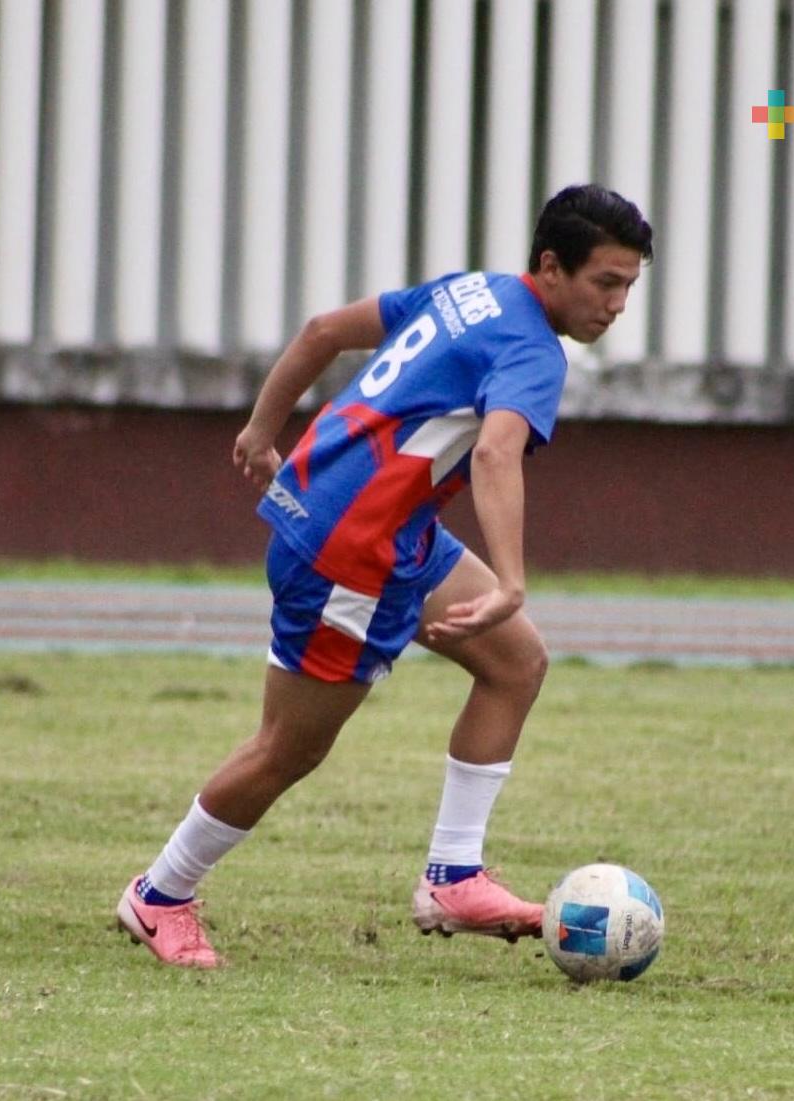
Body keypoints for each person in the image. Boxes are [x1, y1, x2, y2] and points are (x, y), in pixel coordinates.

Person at [116, 184, 653, 967]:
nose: (618, 305)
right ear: (550, 266)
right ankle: (160, 893)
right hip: (351, 550)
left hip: (368, 519)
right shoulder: (533, 348)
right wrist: (509, 578)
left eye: (630, 286)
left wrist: (264, 428)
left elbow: (323, 331)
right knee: (287, 748)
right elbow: (497, 453)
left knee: (516, 660)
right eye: (606, 282)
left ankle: (453, 876)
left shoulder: (476, 290)